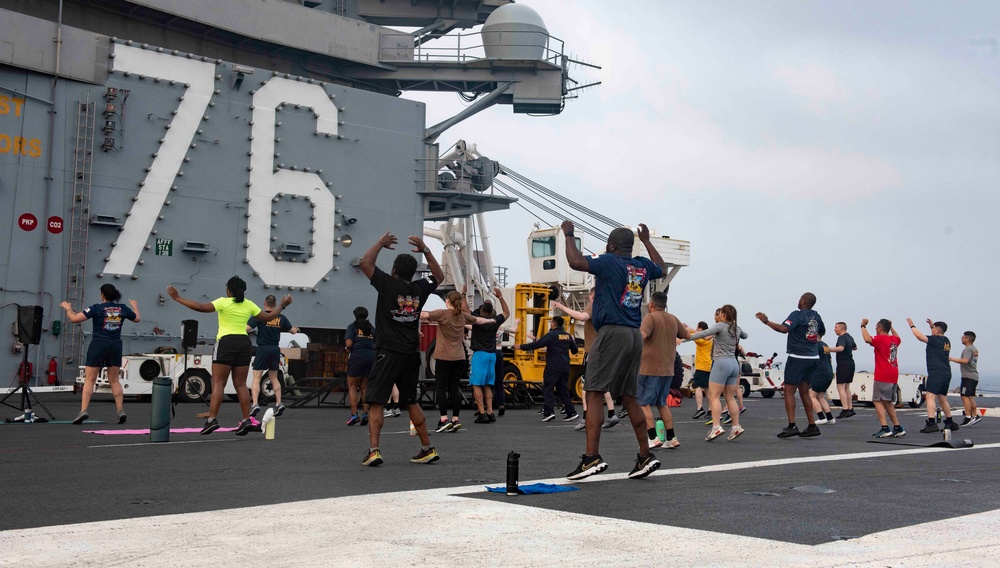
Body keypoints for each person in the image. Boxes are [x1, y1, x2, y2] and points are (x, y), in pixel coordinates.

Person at [561, 221, 666, 481]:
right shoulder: (641, 264)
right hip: (633, 334)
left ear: (611, 245)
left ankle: (591, 457)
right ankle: (645, 455)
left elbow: (575, 261)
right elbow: (662, 269)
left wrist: (569, 234)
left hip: (611, 333)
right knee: (630, 396)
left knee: (593, 391)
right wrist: (648, 241)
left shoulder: (608, 261)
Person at [358, 231, 443, 466]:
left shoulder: (387, 283)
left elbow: (365, 263)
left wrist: (380, 242)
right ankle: (426, 448)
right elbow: (439, 275)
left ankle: (374, 450)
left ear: (395, 271)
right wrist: (426, 249)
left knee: (376, 401)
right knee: (410, 400)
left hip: (388, 351)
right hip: (411, 353)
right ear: (412, 272)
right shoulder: (419, 288)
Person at [167, 277, 291, 435]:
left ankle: (212, 420)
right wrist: (282, 305)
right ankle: (246, 419)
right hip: (244, 343)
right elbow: (268, 317)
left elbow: (200, 307)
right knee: (240, 384)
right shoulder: (249, 304)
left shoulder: (223, 302)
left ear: (228, 290)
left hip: (226, 342)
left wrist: (177, 298)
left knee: (219, 383)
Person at [62, 284, 140, 425]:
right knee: (114, 380)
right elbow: (137, 318)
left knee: (90, 379)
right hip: (115, 345)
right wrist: (134, 305)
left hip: (98, 344)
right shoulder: (122, 308)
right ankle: (120, 410)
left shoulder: (96, 308)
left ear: (102, 295)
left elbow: (74, 319)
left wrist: (68, 309)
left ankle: (84, 410)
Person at [756, 292, 824, 439]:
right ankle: (812, 425)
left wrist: (766, 321)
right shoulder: (816, 316)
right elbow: (821, 332)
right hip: (813, 357)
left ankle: (792, 425)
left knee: (789, 391)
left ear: (804, 301)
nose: (798, 301)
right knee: (804, 391)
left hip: (797, 357)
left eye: (800, 299)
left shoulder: (797, 315)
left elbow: (783, 329)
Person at [422, 291, 492, 432]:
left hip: (444, 357)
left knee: (441, 387)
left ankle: (443, 419)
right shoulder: (463, 316)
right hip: (460, 357)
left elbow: (424, 315)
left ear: (447, 301)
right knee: (454, 388)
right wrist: (492, 321)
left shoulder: (443, 313)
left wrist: (407, 311)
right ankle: (455, 419)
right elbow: (478, 320)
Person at [551, 293, 620, 431]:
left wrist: (560, 306)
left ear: (592, 295)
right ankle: (611, 413)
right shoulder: (609, 306)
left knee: (585, 386)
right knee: (601, 384)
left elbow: (581, 317)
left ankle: (585, 417)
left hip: (593, 351)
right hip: (605, 350)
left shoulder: (594, 304)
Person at [685, 305, 747, 441]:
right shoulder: (736, 328)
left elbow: (702, 334)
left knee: (714, 397)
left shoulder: (720, 326)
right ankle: (736, 427)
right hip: (733, 364)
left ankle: (716, 427)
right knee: (730, 398)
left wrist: (683, 338)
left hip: (721, 363)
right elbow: (745, 336)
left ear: (724, 314)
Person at [637, 292, 689, 449]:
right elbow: (686, 334)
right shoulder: (673, 318)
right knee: (661, 403)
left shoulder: (650, 318)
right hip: (668, 368)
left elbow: (642, 335)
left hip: (649, 368)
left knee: (642, 402)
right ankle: (672, 438)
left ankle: (653, 437)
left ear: (651, 304)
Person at [516, 316, 580, 422]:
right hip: (565, 367)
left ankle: (549, 412)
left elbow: (537, 344)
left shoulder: (552, 335)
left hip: (553, 367)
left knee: (548, 388)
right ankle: (571, 412)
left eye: (551, 322)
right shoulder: (567, 336)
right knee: (563, 390)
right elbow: (575, 350)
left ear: (554, 324)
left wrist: (521, 347)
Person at [246, 295, 299, 420]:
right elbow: (293, 331)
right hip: (275, 349)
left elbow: (246, 329)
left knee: (257, 378)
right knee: (274, 378)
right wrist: (296, 328)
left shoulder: (259, 316)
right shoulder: (281, 318)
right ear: (275, 305)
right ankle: (278, 403)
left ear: (264, 303)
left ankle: (255, 404)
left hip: (262, 349)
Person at [907, 318, 959, 434]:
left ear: (937, 330)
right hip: (946, 372)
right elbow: (935, 335)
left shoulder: (935, 340)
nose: (932, 330)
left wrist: (912, 326)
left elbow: (920, 337)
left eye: (933, 328)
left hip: (936, 373)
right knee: (942, 398)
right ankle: (950, 422)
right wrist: (932, 326)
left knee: (930, 397)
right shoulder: (946, 340)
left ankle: (932, 423)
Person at [469, 289, 510, 424]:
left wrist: (463, 295)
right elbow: (506, 313)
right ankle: (490, 412)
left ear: (481, 311)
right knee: (487, 385)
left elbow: (464, 311)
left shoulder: (477, 320)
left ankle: (482, 412)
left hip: (480, 354)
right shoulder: (495, 321)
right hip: (492, 354)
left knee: (476, 384)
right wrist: (501, 297)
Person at [861, 318, 905, 437]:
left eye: (876, 327)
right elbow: (898, 337)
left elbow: (867, 339)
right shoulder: (893, 340)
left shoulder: (880, 339)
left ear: (880, 328)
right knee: (887, 402)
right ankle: (897, 427)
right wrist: (891, 326)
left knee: (877, 400)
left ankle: (885, 428)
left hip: (883, 374)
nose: (875, 329)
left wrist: (863, 326)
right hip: (893, 373)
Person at [344, 307, 375, 426]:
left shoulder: (352, 327)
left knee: (352, 386)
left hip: (357, 356)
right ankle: (366, 413)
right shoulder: (371, 328)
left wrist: (347, 349)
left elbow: (349, 343)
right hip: (371, 357)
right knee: (365, 387)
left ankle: (354, 415)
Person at [950, 331, 981, 426]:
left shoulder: (968, 349)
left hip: (968, 377)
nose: (961, 338)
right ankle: (974, 416)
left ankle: (968, 416)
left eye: (963, 337)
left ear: (967, 338)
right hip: (974, 376)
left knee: (964, 396)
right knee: (970, 396)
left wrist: (950, 359)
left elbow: (965, 360)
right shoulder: (974, 349)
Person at [829, 322, 858, 418]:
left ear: (841, 328)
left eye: (836, 327)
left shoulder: (841, 338)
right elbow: (855, 347)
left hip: (843, 364)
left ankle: (845, 409)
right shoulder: (850, 337)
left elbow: (841, 348)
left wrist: (828, 349)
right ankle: (850, 408)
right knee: (846, 387)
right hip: (850, 363)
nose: (834, 329)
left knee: (840, 387)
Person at [686, 321, 712, 419]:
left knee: (697, 386)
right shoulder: (710, 339)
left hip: (702, 366)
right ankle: (710, 409)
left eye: (698, 328)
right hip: (709, 366)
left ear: (701, 329)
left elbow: (693, 336)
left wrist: (688, 328)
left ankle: (699, 408)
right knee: (708, 389)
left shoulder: (701, 341)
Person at [810, 335, 836, 425]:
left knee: (810, 395)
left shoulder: (815, 345)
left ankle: (821, 417)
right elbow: (830, 360)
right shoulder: (825, 345)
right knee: (820, 396)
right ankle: (830, 418)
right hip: (828, 372)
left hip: (820, 373)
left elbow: (812, 360)